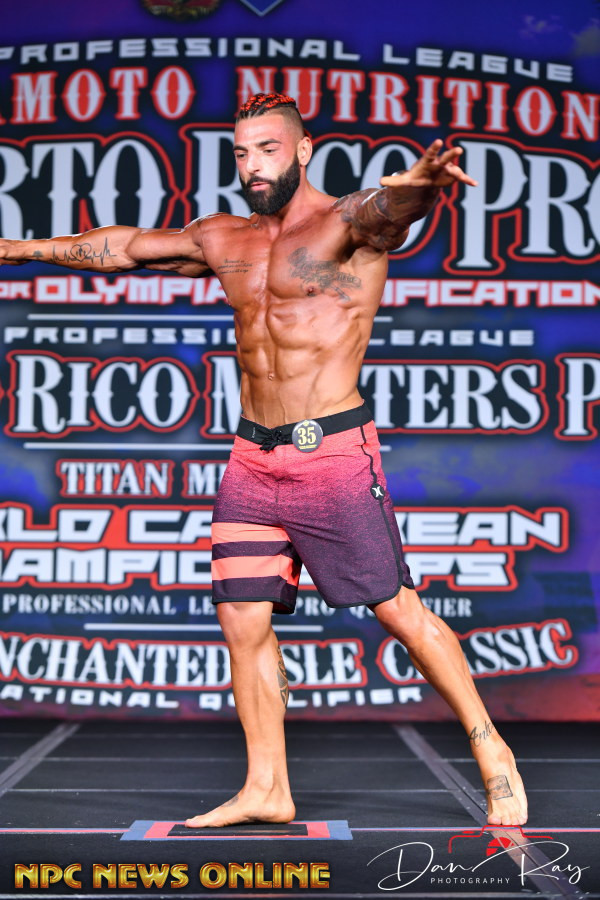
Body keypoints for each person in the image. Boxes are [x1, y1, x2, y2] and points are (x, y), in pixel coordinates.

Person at [0, 92, 527, 829]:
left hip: (332, 455)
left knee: (397, 609)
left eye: (269, 150)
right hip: (251, 460)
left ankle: (491, 748)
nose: (253, 166)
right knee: (242, 618)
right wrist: (14, 250)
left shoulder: (345, 225)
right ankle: (266, 788)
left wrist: (420, 185)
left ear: (303, 150)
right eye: (243, 153)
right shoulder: (226, 237)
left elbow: (387, 210)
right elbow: (122, 246)